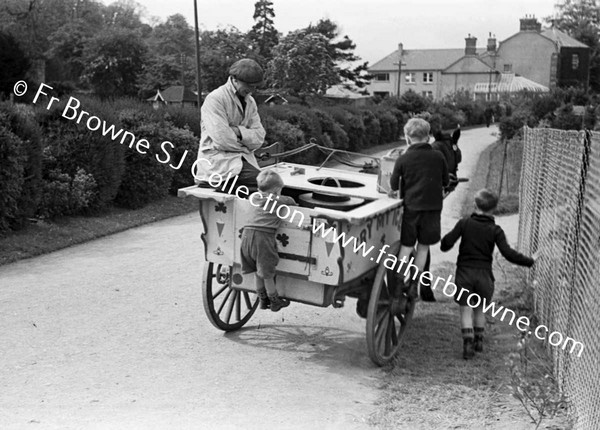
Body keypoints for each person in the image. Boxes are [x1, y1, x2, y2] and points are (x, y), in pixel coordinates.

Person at [440, 189, 536, 359]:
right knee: (479, 308)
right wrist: (530, 261)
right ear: (494, 208)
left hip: (465, 274)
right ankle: (479, 340)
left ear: (475, 205)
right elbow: (508, 253)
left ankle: (468, 344)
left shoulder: (464, 223)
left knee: (465, 309)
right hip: (484, 276)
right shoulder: (495, 230)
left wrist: (445, 244)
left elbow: (447, 243)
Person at [390, 118, 449, 299]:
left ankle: (399, 285)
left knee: (406, 247)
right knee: (423, 248)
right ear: (428, 136)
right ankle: (415, 284)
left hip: (412, 209)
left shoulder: (403, 158)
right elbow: (446, 182)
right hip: (432, 210)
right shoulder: (438, 157)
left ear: (407, 138)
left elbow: (393, 185)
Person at [194, 58, 266, 191]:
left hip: (241, 162)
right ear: (234, 79)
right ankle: (218, 184)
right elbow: (223, 140)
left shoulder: (250, 102)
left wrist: (238, 131)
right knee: (266, 184)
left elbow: (259, 137)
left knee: (271, 182)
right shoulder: (215, 99)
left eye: (255, 86)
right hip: (217, 164)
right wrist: (246, 145)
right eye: (249, 85)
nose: (252, 90)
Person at [240, 169, 296, 312]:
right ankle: (274, 300)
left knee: (257, 271)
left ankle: (262, 300)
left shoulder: (253, 196)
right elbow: (292, 202)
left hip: (246, 236)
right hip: (262, 238)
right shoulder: (279, 200)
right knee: (267, 273)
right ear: (277, 190)